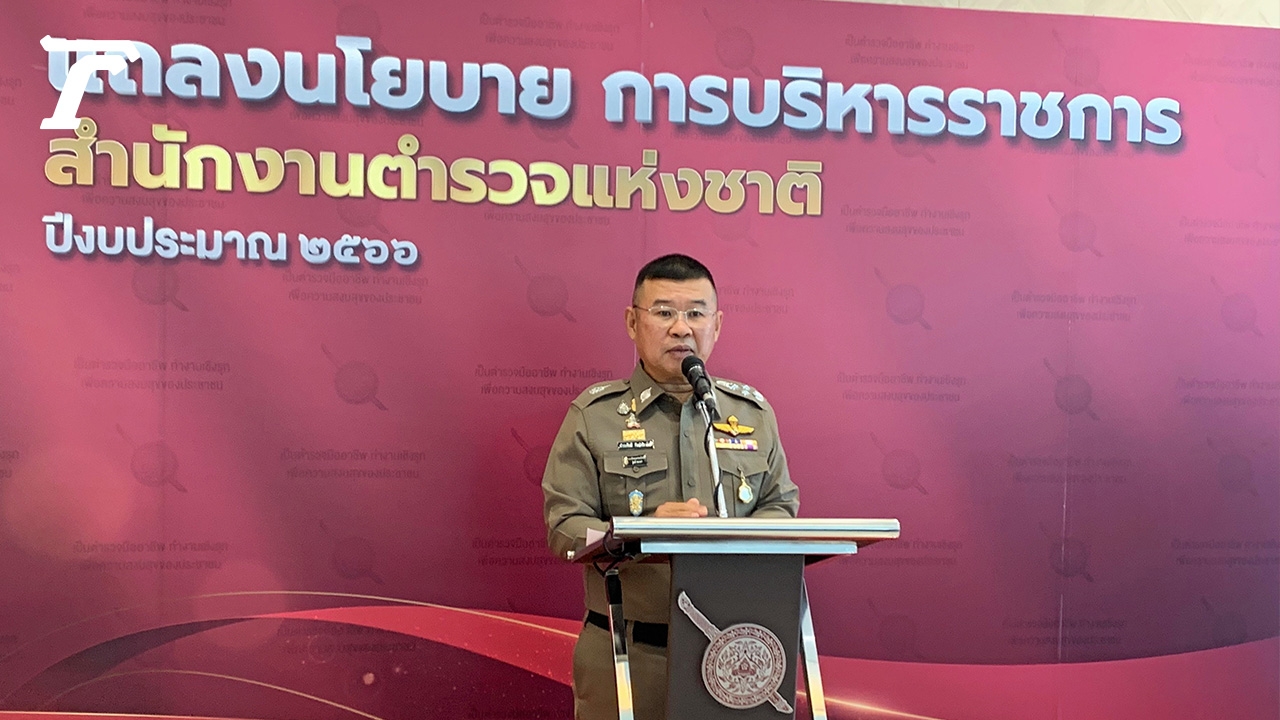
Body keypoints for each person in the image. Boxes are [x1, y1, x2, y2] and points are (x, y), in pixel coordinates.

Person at [542, 253, 800, 720]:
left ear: (717, 324)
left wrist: (738, 541)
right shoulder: (594, 416)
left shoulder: (752, 415)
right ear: (632, 322)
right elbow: (565, 527)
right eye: (664, 312)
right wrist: (638, 533)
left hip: (734, 652)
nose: (682, 328)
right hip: (627, 654)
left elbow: (781, 506)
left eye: (696, 313)